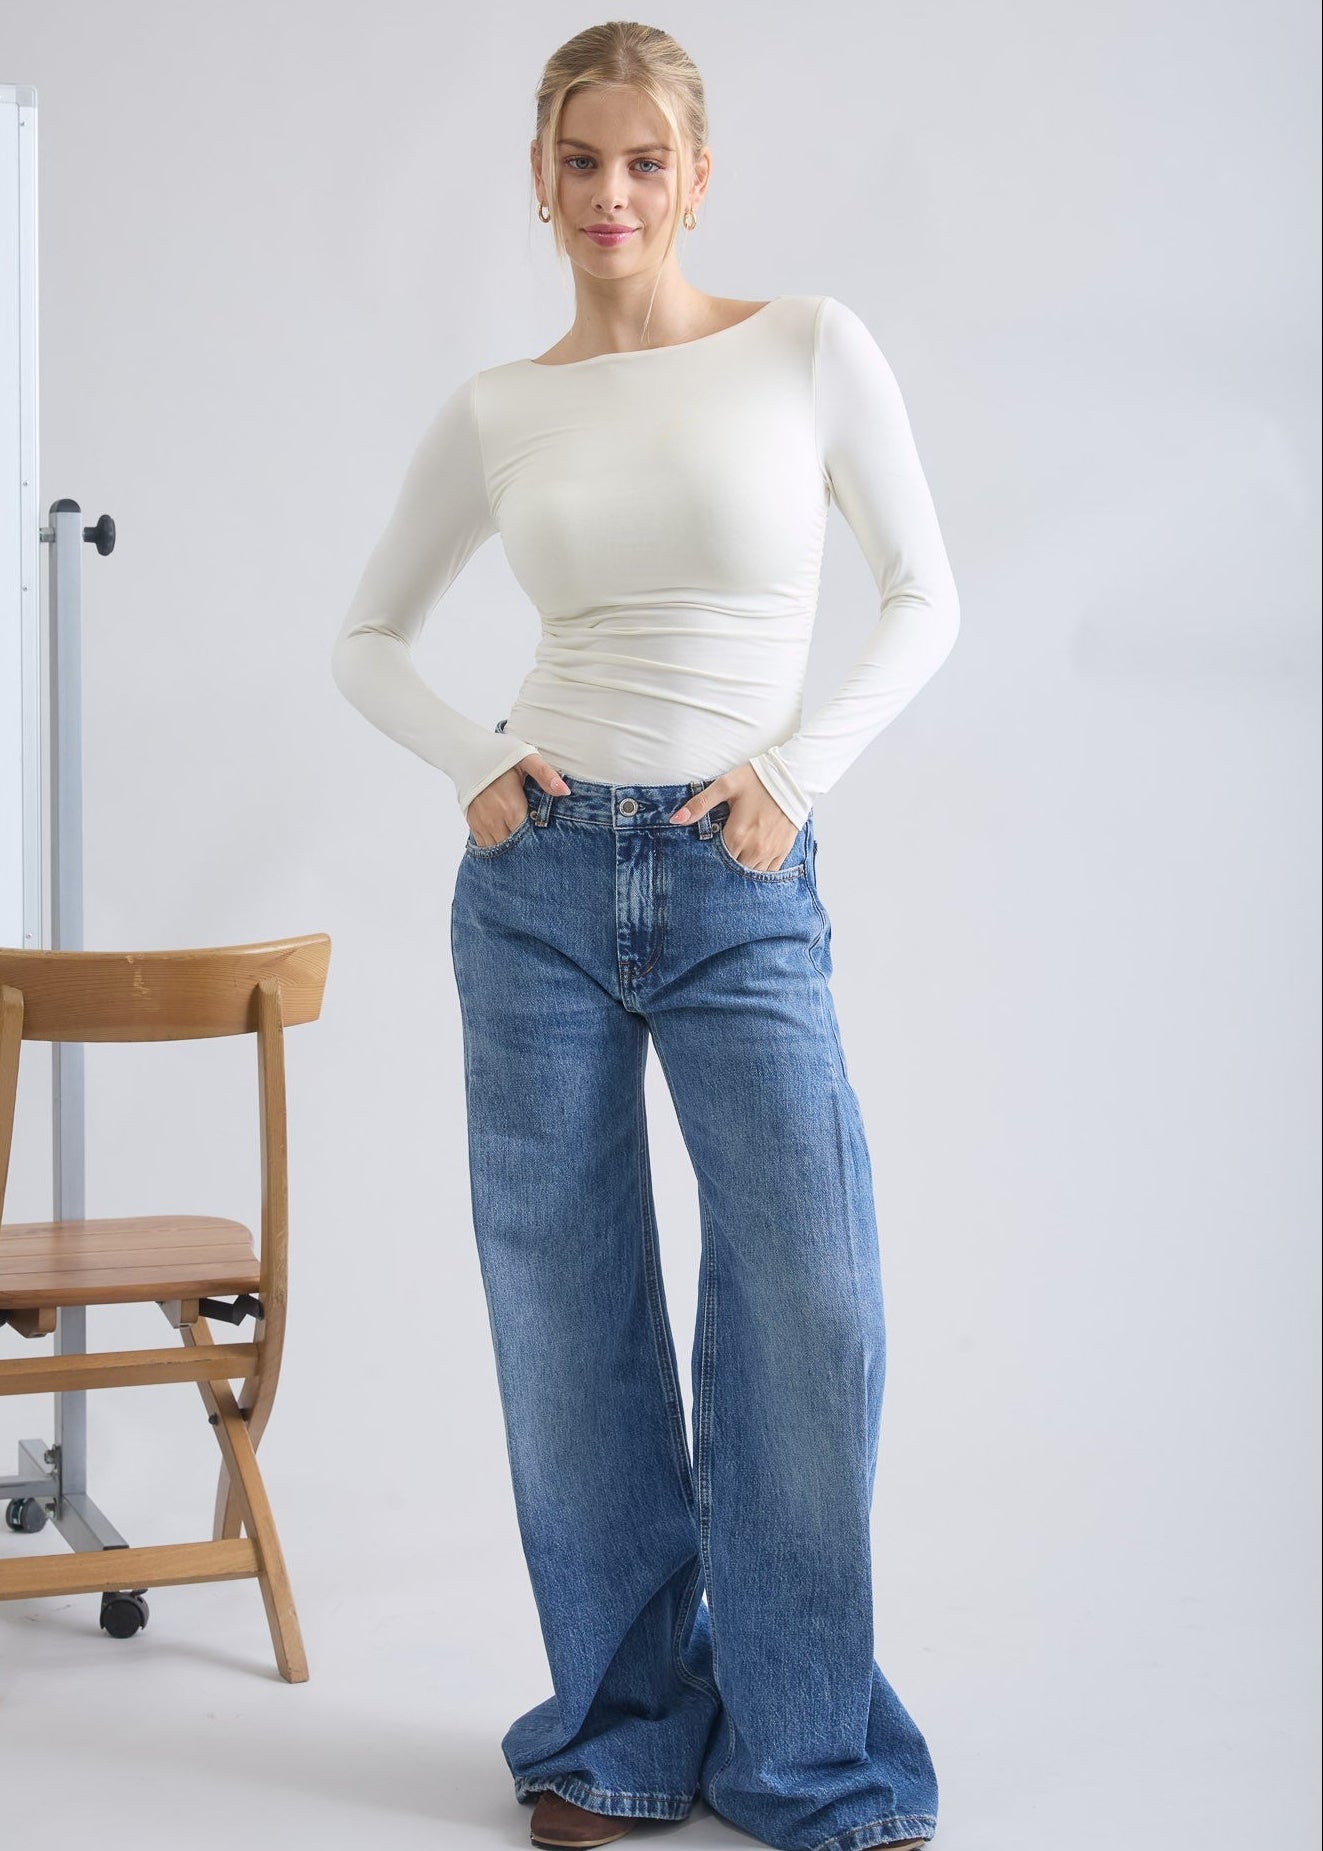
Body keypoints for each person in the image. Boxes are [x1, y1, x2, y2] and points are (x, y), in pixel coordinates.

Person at [330, 22, 959, 1851]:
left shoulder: (809, 349)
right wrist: (476, 764)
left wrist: (797, 772)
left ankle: (804, 1758)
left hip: (733, 881)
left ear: (695, 178)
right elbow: (364, 636)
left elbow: (926, 596)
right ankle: (616, 1738)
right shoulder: (499, 413)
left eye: (643, 163)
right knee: (566, 1319)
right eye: (580, 162)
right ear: (539, 177)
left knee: (808, 1304)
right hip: (532, 893)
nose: (611, 196)